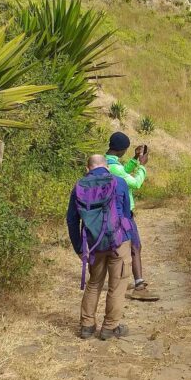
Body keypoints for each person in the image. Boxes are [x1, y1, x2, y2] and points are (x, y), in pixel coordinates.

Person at [67, 154, 133, 340]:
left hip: (93, 244)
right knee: (117, 284)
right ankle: (110, 327)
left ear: (87, 169)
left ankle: (87, 326)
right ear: (107, 167)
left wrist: (80, 248)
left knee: (94, 283)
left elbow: (72, 221)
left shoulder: (79, 186)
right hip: (119, 241)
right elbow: (127, 214)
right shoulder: (119, 182)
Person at [105, 132, 157, 300]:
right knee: (135, 246)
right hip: (123, 213)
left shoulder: (106, 162)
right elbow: (135, 183)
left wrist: (134, 160)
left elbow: (122, 171)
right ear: (122, 150)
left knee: (121, 247)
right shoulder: (115, 168)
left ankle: (120, 278)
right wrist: (142, 165)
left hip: (111, 211)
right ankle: (139, 285)